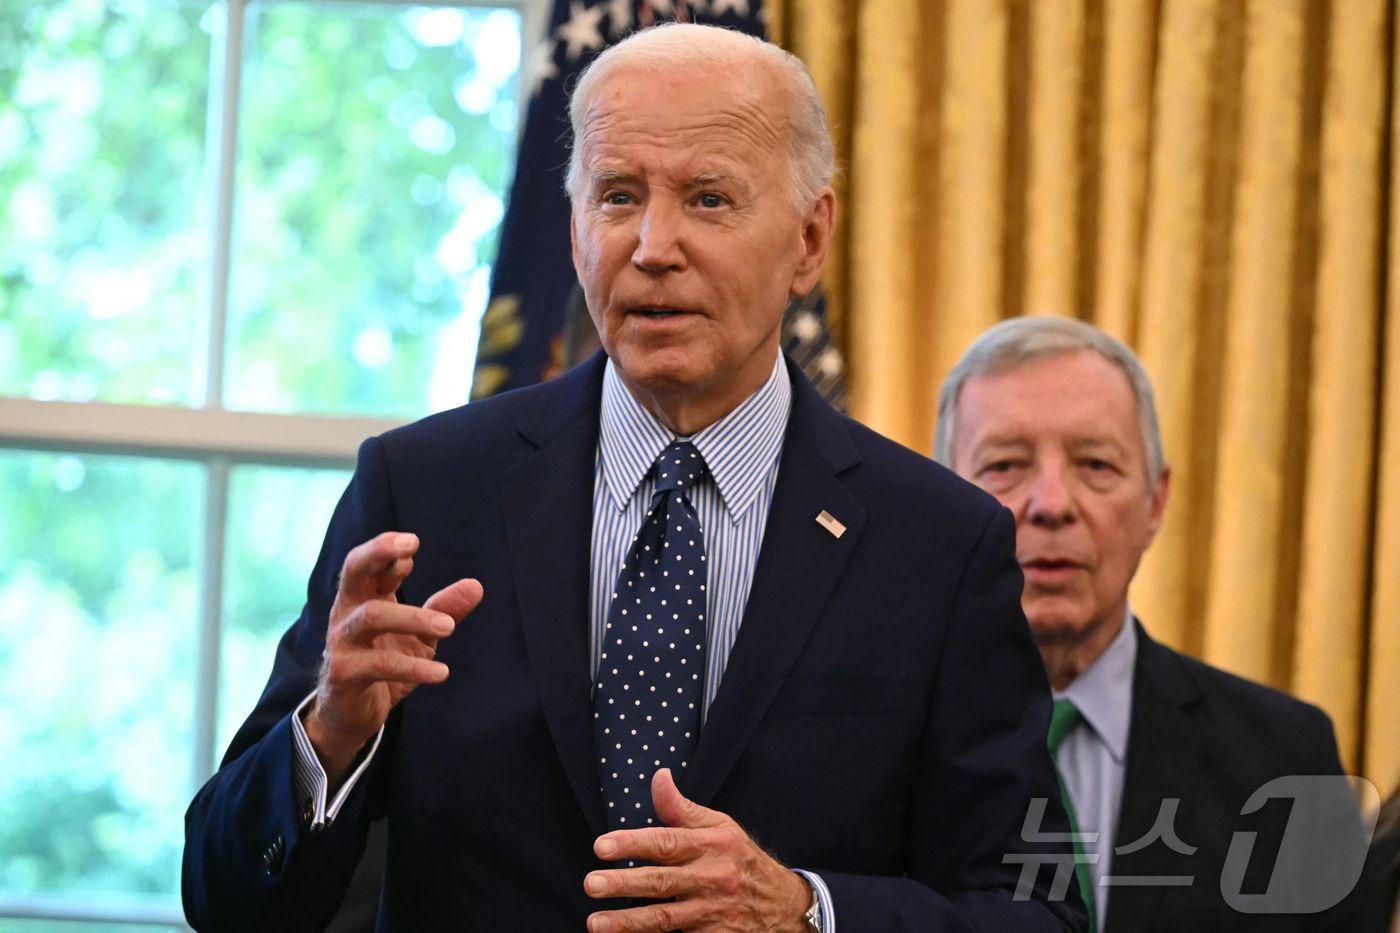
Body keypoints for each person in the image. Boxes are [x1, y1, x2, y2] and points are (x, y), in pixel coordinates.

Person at [182, 24, 1085, 933]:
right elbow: (225, 899)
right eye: (618, 196)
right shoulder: (423, 490)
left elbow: (1040, 913)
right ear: (575, 228)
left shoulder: (939, 545)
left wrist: (806, 913)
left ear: (810, 239)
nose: (655, 246)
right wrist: (330, 734)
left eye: (709, 199)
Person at [936, 315, 1369, 932]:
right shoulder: (867, 744)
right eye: (1005, 465)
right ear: (943, 500)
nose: (1051, 504)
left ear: (1156, 503)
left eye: (1095, 464)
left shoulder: (1286, 758)